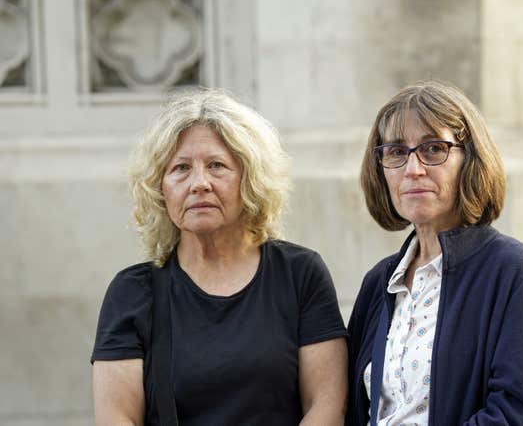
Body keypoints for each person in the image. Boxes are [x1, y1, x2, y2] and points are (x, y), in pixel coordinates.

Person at [91, 88, 348, 425]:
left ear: (250, 180)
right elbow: (117, 418)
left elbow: (326, 405)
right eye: (181, 168)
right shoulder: (133, 293)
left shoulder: (300, 274)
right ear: (160, 188)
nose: (200, 183)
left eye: (217, 166)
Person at [347, 80, 523, 426]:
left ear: (470, 160)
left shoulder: (515, 272)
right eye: (397, 152)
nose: (413, 169)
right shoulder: (379, 282)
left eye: (433, 149)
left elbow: (516, 414)